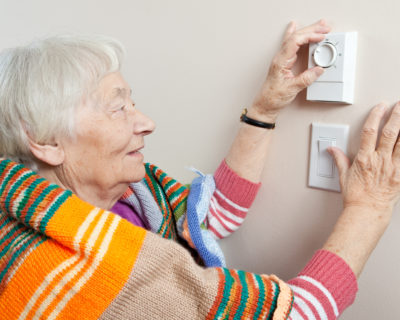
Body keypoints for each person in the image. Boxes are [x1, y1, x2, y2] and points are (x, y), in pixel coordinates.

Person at [0, 19, 397, 319]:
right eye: (118, 107)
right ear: (46, 142)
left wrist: (264, 110)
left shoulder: (124, 197)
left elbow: (208, 218)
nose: (146, 122)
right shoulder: (82, 274)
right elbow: (295, 315)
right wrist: (370, 209)